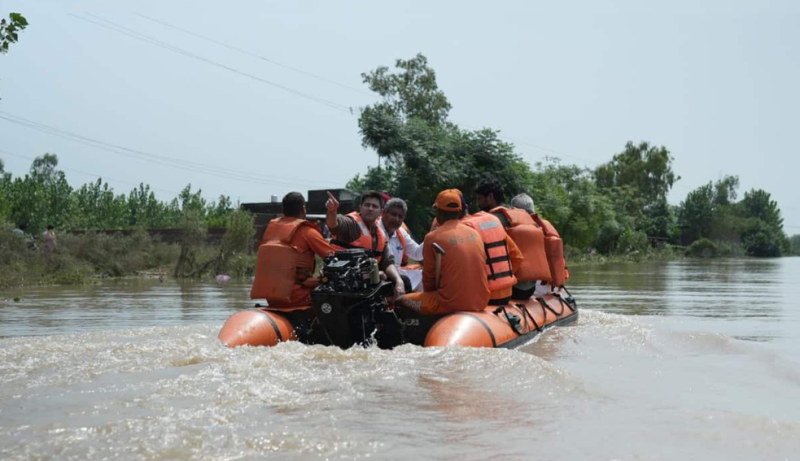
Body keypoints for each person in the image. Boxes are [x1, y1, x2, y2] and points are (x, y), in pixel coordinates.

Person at [396, 189, 490, 315]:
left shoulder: (432, 237)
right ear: (460, 211)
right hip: (481, 301)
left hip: (448, 304)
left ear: (439, 212)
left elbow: (428, 279)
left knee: (400, 300)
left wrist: (427, 299)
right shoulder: (475, 233)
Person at [250, 192, 335, 308]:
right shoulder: (308, 232)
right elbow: (335, 259)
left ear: (283, 210)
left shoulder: (270, 231)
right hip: (298, 298)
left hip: (271, 298)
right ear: (303, 210)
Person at [325, 190, 406, 299]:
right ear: (360, 207)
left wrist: (398, 281)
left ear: (381, 212)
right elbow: (334, 225)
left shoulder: (379, 234)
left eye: (374, 206)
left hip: (369, 282)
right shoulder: (352, 224)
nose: (370, 208)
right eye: (367, 205)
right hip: (345, 282)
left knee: (404, 281)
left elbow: (387, 262)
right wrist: (332, 212)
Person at [510, 193, 569, 292]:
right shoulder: (546, 228)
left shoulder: (513, 230)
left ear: (512, 210)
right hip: (550, 287)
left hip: (530, 289)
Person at [378, 198, 424, 290]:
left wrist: (431, 236)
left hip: (397, 273)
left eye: (400, 216)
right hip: (380, 274)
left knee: (426, 277)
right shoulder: (374, 230)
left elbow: (417, 254)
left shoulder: (401, 232)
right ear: (383, 213)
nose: (396, 219)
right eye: (393, 214)